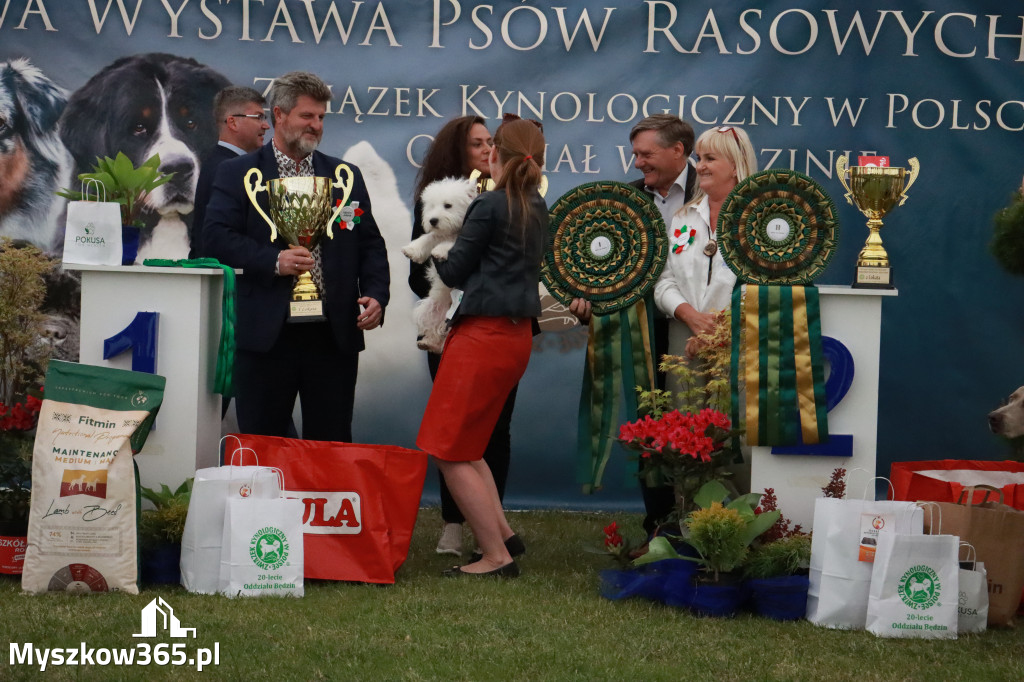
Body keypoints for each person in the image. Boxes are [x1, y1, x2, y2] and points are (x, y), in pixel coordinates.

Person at [203, 71, 389, 442]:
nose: (317, 125)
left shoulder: (344, 175)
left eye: (321, 117)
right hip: (266, 335)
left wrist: (376, 293)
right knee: (264, 443)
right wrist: (274, 261)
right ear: (279, 116)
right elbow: (215, 236)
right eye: (308, 116)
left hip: (332, 335)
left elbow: (369, 243)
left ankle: (323, 502)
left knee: (332, 440)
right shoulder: (238, 173)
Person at [416, 117, 546, 577]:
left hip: (482, 337)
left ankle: (495, 555)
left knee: (448, 451)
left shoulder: (489, 205)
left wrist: (438, 246)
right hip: (515, 338)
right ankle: (505, 534)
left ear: (496, 157)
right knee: (472, 448)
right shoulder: (535, 203)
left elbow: (452, 273)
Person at [569, 114, 698, 535]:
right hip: (641, 331)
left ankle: (705, 522)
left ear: (677, 150)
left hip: (699, 330)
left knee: (700, 424)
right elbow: (596, 270)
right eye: (635, 154)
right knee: (650, 427)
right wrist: (588, 298)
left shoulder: (713, 192)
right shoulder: (624, 200)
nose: (638, 163)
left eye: (646, 154)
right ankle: (659, 526)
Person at [654, 125, 757, 370]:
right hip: (684, 339)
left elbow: (762, 284)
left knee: (732, 408)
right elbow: (664, 281)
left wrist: (715, 329)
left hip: (738, 339)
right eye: (699, 158)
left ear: (735, 165)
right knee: (682, 408)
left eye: (710, 159)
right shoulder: (683, 217)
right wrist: (690, 315)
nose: (699, 166)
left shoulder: (759, 220)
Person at [191, 86, 270, 258]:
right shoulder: (226, 168)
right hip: (229, 280)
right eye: (259, 117)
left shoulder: (218, 162)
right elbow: (219, 238)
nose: (266, 125)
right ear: (233, 122)